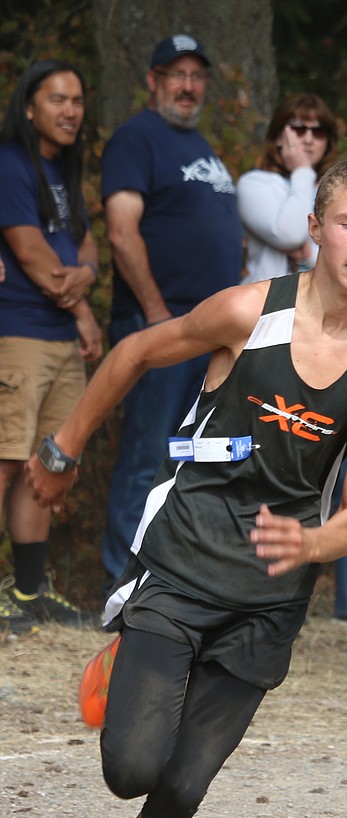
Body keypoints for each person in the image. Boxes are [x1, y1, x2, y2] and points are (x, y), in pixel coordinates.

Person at [25, 155, 347, 818]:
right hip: (181, 566)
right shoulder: (249, 312)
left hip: (268, 600)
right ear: (317, 227)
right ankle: (123, 662)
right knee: (133, 769)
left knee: (180, 790)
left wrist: (311, 542)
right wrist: (63, 448)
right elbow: (134, 353)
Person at [238, 93, 347, 628]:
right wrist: (304, 172)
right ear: (279, 135)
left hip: (335, 344)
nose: (307, 137)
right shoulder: (258, 184)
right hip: (264, 340)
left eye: (317, 130)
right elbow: (290, 232)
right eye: (297, 128)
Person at [99, 34, 243, 593]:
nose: (187, 86)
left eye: (196, 75)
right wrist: (159, 317)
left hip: (208, 337)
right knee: (146, 456)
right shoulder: (137, 139)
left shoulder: (201, 146)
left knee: (190, 458)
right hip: (160, 330)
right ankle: (121, 579)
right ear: (153, 81)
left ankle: (166, 583)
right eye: (175, 74)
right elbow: (121, 230)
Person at [0, 59, 102, 632]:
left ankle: (31, 590)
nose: (70, 111)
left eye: (77, 101)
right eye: (57, 100)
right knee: (5, 460)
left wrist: (85, 275)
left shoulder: (63, 167)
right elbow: (36, 257)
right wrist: (83, 302)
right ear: (30, 106)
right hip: (18, 333)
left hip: (59, 335)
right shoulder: (11, 162)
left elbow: (82, 246)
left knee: (47, 461)